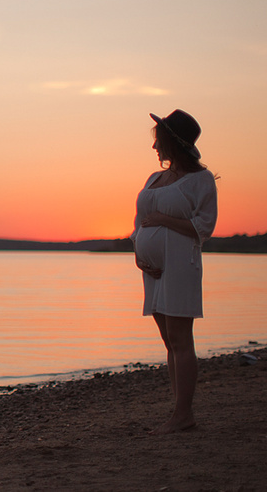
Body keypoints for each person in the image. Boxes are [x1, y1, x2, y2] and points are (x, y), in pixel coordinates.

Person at [131, 109, 217, 434]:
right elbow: (139, 224)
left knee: (181, 340)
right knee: (170, 343)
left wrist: (163, 221)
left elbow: (204, 227)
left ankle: (183, 415)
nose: (155, 148)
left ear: (173, 142)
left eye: (158, 141)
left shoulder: (201, 180)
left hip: (182, 264)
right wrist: (139, 254)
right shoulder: (154, 179)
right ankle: (179, 411)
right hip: (152, 270)